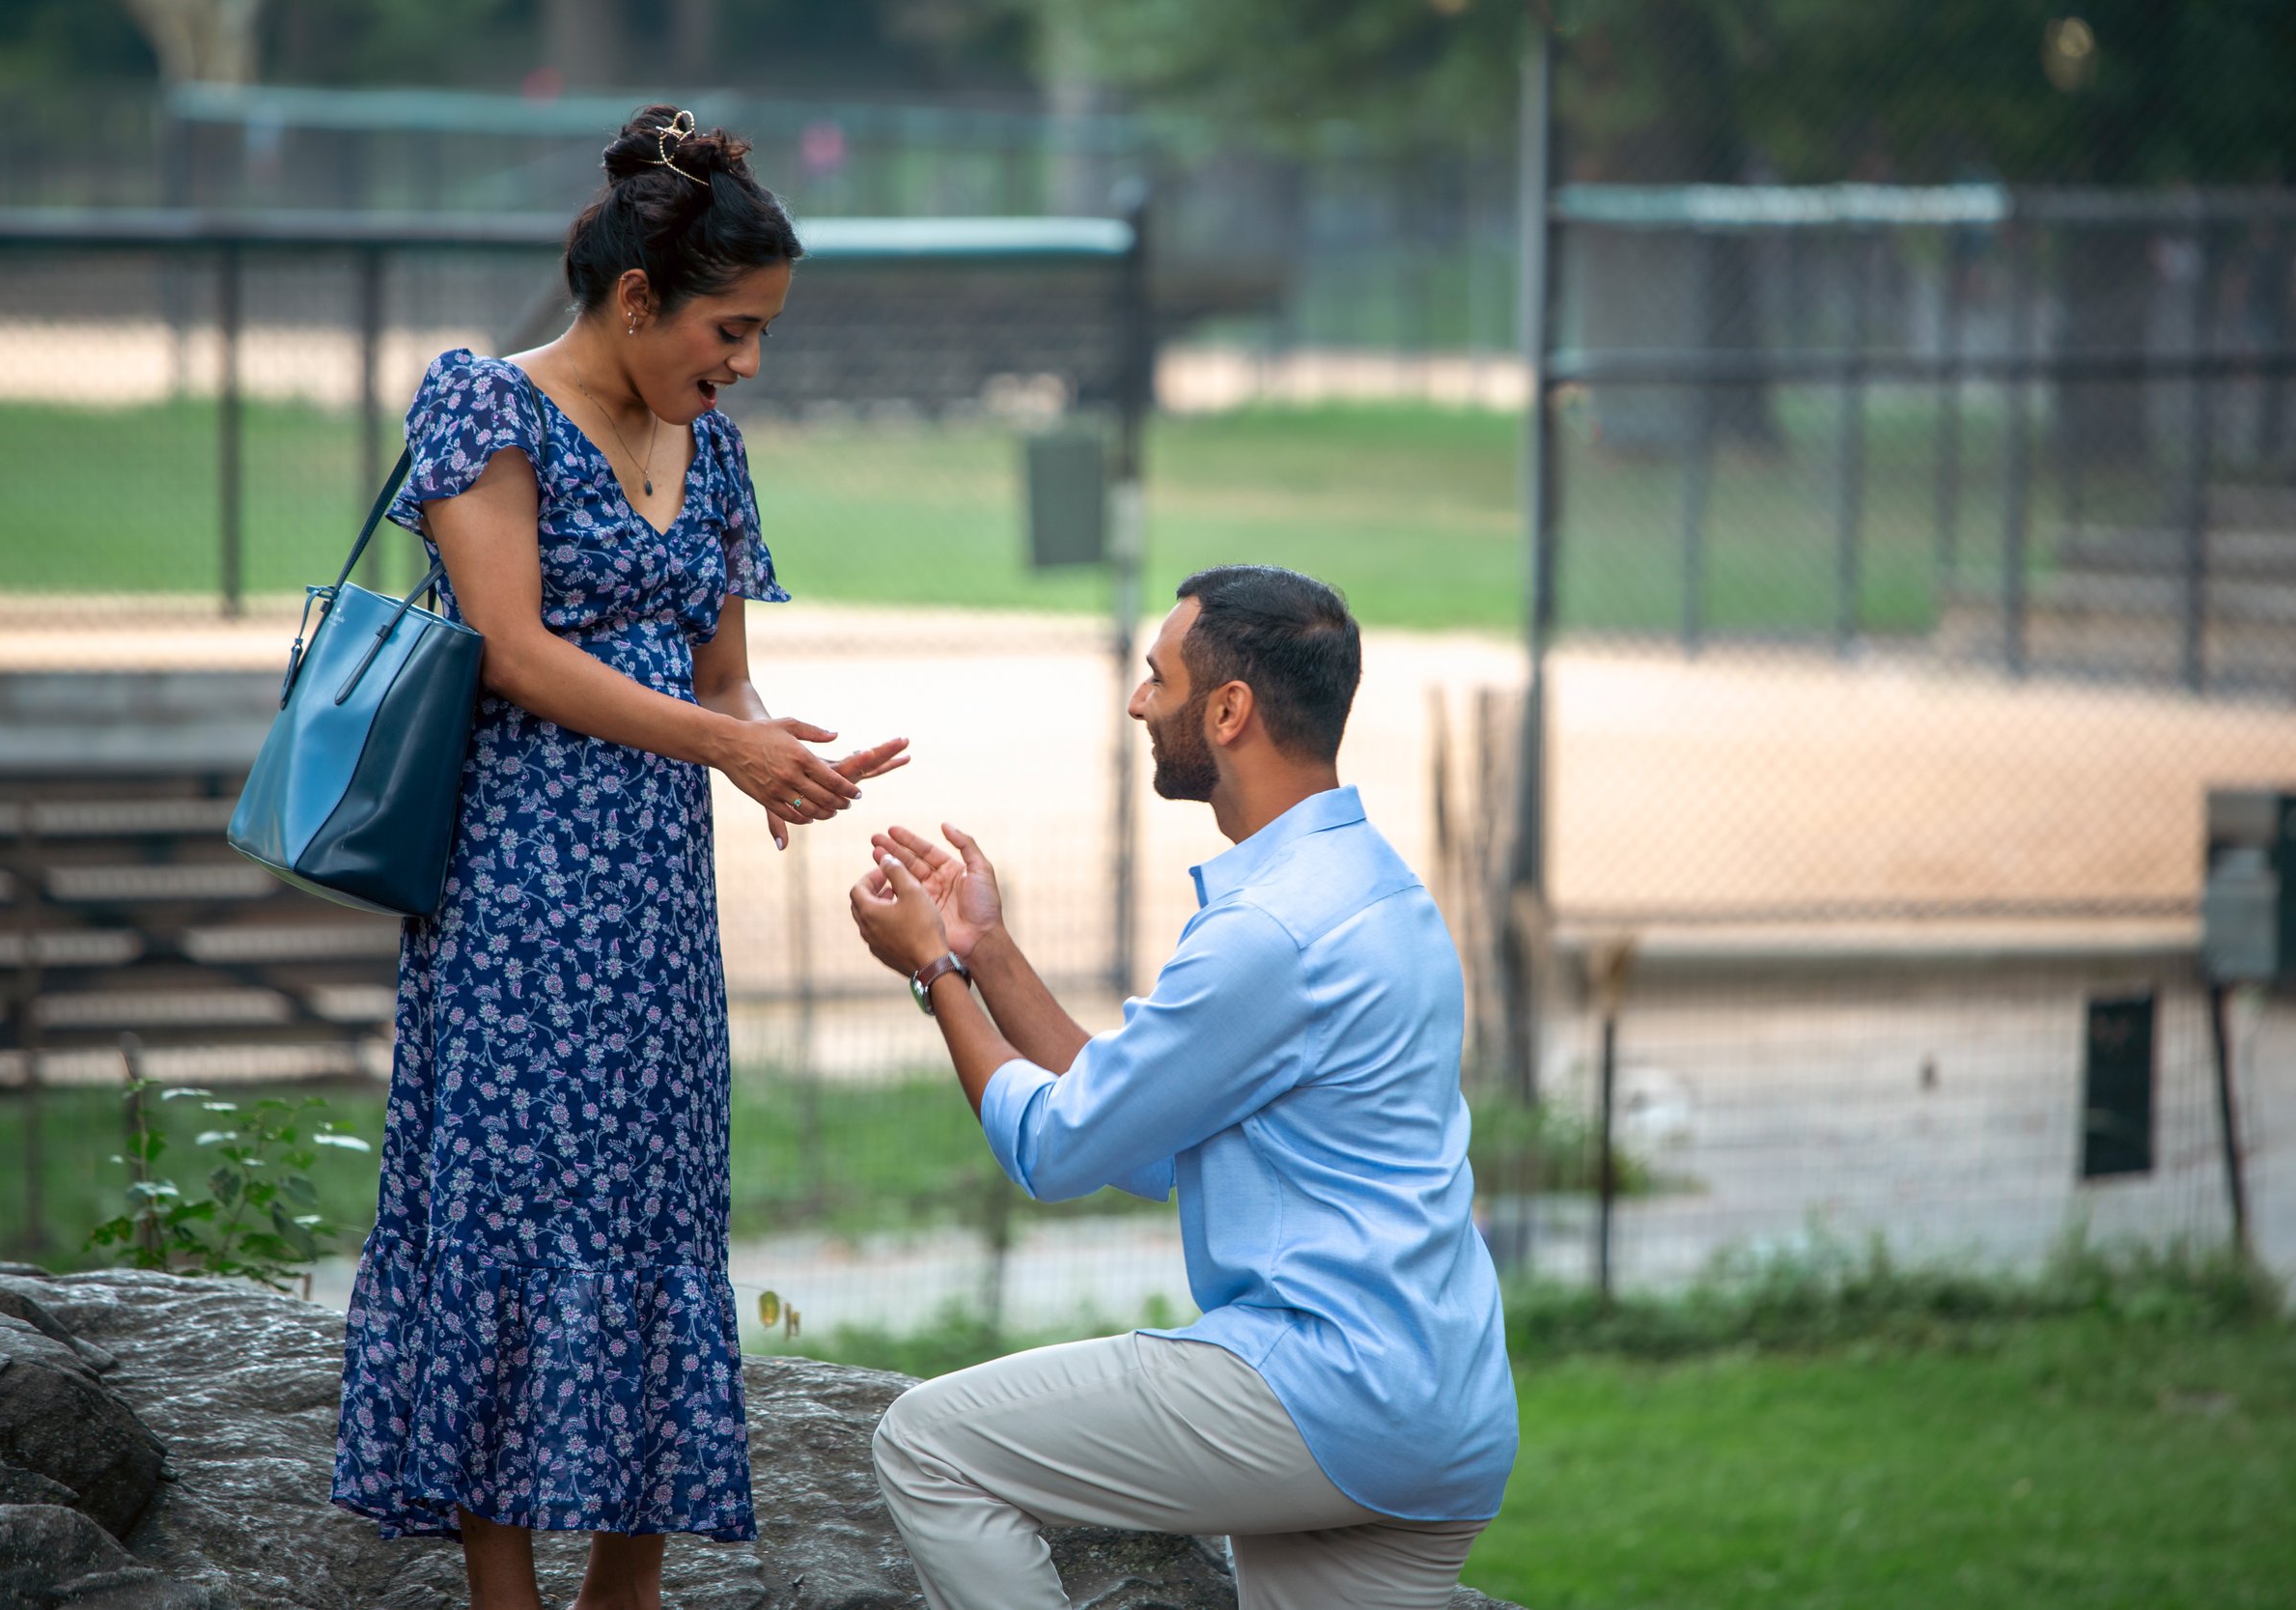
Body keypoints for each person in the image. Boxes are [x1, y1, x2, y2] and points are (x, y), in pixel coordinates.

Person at [331, 106, 907, 1610]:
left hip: (653, 901)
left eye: (765, 331)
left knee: (654, 1201)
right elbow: (514, 652)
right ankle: (505, 1587)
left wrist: (785, 755)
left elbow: (724, 682)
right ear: (638, 299)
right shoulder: (485, 406)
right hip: (516, 886)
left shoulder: (709, 451)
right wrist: (727, 748)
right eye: (734, 326)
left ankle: (627, 1584)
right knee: (513, 1199)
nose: (749, 363)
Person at [846, 564, 1518, 1610]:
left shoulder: (1270, 931)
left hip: (1322, 1387)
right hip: (1444, 1412)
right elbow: (1140, 1125)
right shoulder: (1378, 891)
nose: (1137, 700)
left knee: (931, 1444)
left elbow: (1059, 1147)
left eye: (1157, 676)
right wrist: (989, 949)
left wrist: (937, 973)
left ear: (1230, 708)